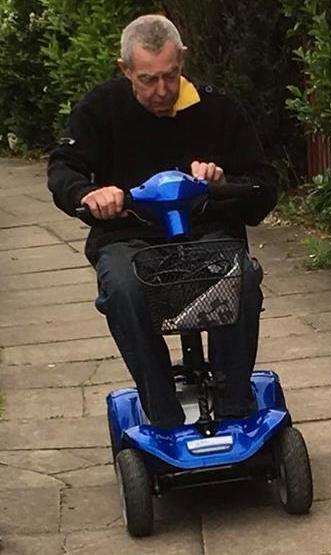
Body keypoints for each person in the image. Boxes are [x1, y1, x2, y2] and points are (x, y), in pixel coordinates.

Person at [47, 14, 277, 428]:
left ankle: (233, 406)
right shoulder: (100, 109)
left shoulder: (218, 109)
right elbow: (64, 168)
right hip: (130, 239)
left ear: (183, 60)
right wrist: (89, 195)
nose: (161, 91)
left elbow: (264, 187)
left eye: (170, 76)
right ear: (125, 71)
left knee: (240, 276)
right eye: (147, 80)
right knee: (123, 288)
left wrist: (224, 183)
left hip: (206, 235)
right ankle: (163, 413)